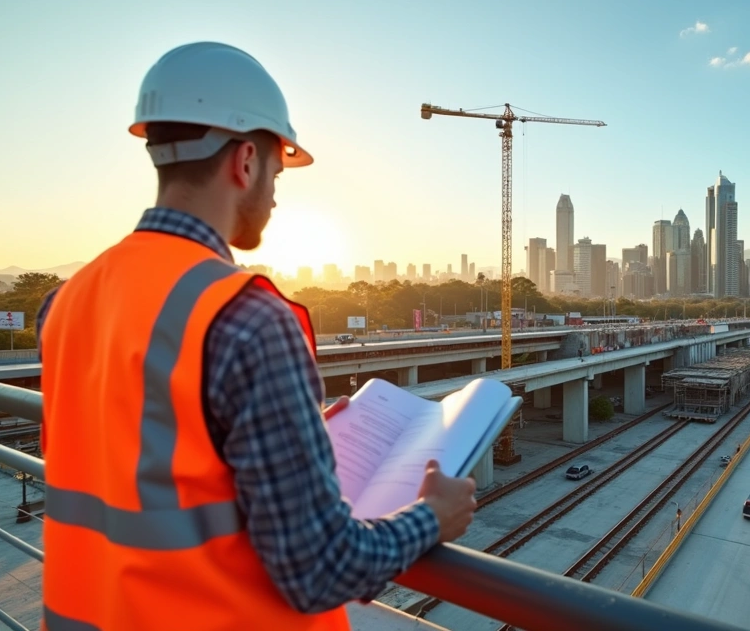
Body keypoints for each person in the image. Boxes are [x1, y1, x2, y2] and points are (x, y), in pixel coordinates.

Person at [37, 42, 476, 630]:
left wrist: (290, 433)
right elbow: (319, 568)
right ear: (245, 161)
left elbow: (135, 461)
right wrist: (433, 516)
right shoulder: (248, 320)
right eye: (276, 169)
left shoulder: (66, 301)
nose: (274, 192)